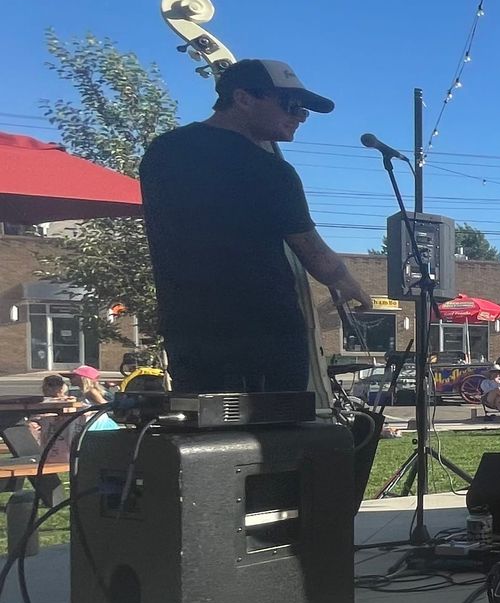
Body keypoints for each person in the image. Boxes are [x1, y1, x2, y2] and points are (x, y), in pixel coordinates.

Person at [140, 59, 370, 394]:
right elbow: (313, 251)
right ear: (244, 98)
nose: (299, 118)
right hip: (262, 332)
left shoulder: (162, 151)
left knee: (207, 436)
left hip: (186, 328)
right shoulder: (270, 171)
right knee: (274, 436)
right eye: (290, 106)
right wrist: (349, 283)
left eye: (304, 111)